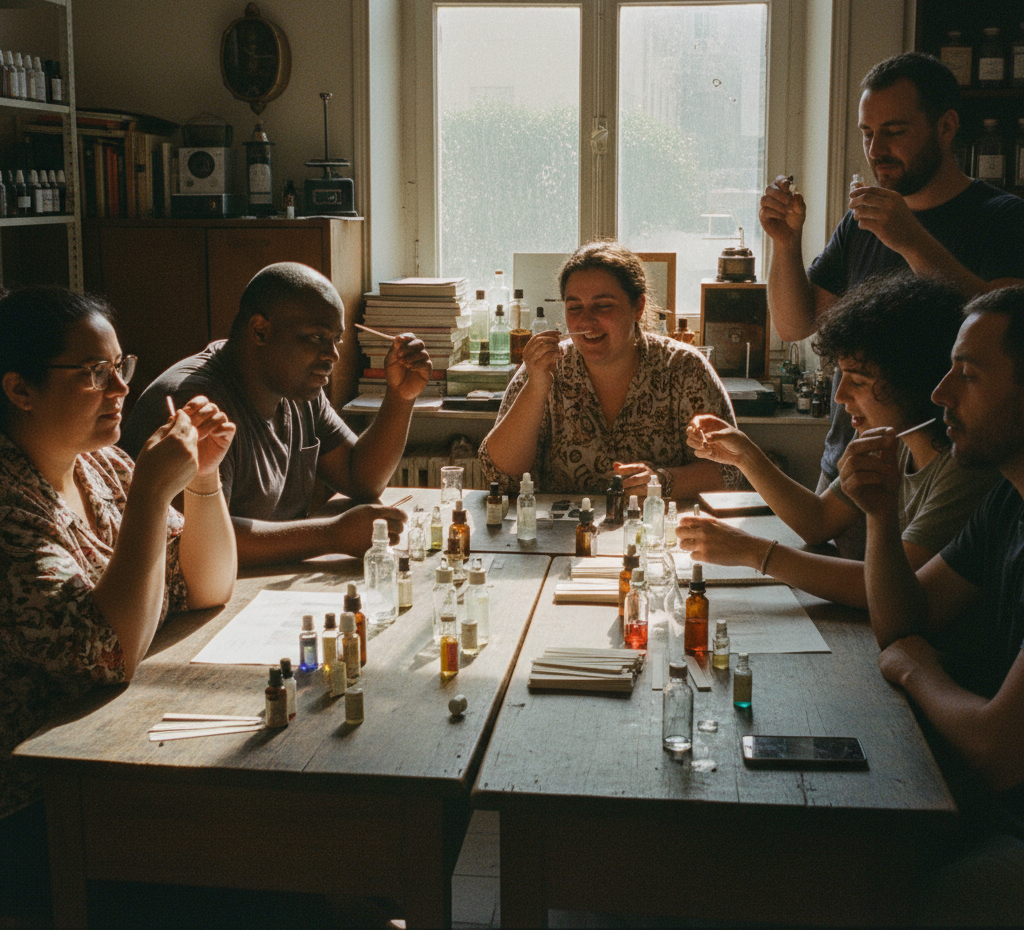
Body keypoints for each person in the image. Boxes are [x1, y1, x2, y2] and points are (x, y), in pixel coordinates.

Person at [0, 286, 237, 921]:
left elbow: (206, 586)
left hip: (116, 760)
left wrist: (204, 478)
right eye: (93, 374)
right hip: (41, 808)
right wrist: (155, 496)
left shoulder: (100, 466)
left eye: (120, 368)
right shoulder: (10, 506)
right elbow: (107, 657)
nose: (119, 391)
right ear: (19, 389)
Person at [761, 52, 1024, 555]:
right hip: (848, 466)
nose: (876, 149)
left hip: (947, 473)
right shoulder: (860, 222)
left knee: (902, 615)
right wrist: (784, 244)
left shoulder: (1003, 219)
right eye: (866, 133)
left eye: (895, 131)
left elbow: (1006, 325)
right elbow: (796, 325)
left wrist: (910, 240)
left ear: (945, 127)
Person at [838, 285, 1024, 924]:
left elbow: (1000, 751)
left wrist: (918, 669)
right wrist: (881, 518)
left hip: (1007, 821)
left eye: (967, 375)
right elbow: (905, 620)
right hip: (981, 797)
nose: (941, 393)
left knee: (864, 889)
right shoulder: (1008, 499)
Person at [677, 272, 999, 607]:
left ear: (914, 382)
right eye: (841, 377)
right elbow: (817, 522)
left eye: (858, 381)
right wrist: (743, 454)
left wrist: (752, 551)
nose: (841, 396)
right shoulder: (890, 440)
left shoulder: (964, 469)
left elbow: (891, 593)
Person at [122, 262, 432, 566]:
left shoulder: (297, 388)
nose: (332, 355)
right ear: (260, 331)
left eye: (335, 340)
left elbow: (359, 476)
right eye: (316, 338)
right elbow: (194, 540)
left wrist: (401, 398)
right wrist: (331, 535)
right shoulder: (194, 404)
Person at [479, 243, 741, 499]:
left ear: (637, 307)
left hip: (657, 531)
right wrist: (536, 386)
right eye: (574, 307)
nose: (585, 320)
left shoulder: (685, 368)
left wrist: (662, 482)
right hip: (565, 536)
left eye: (603, 305)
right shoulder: (544, 367)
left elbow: (730, 470)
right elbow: (500, 477)